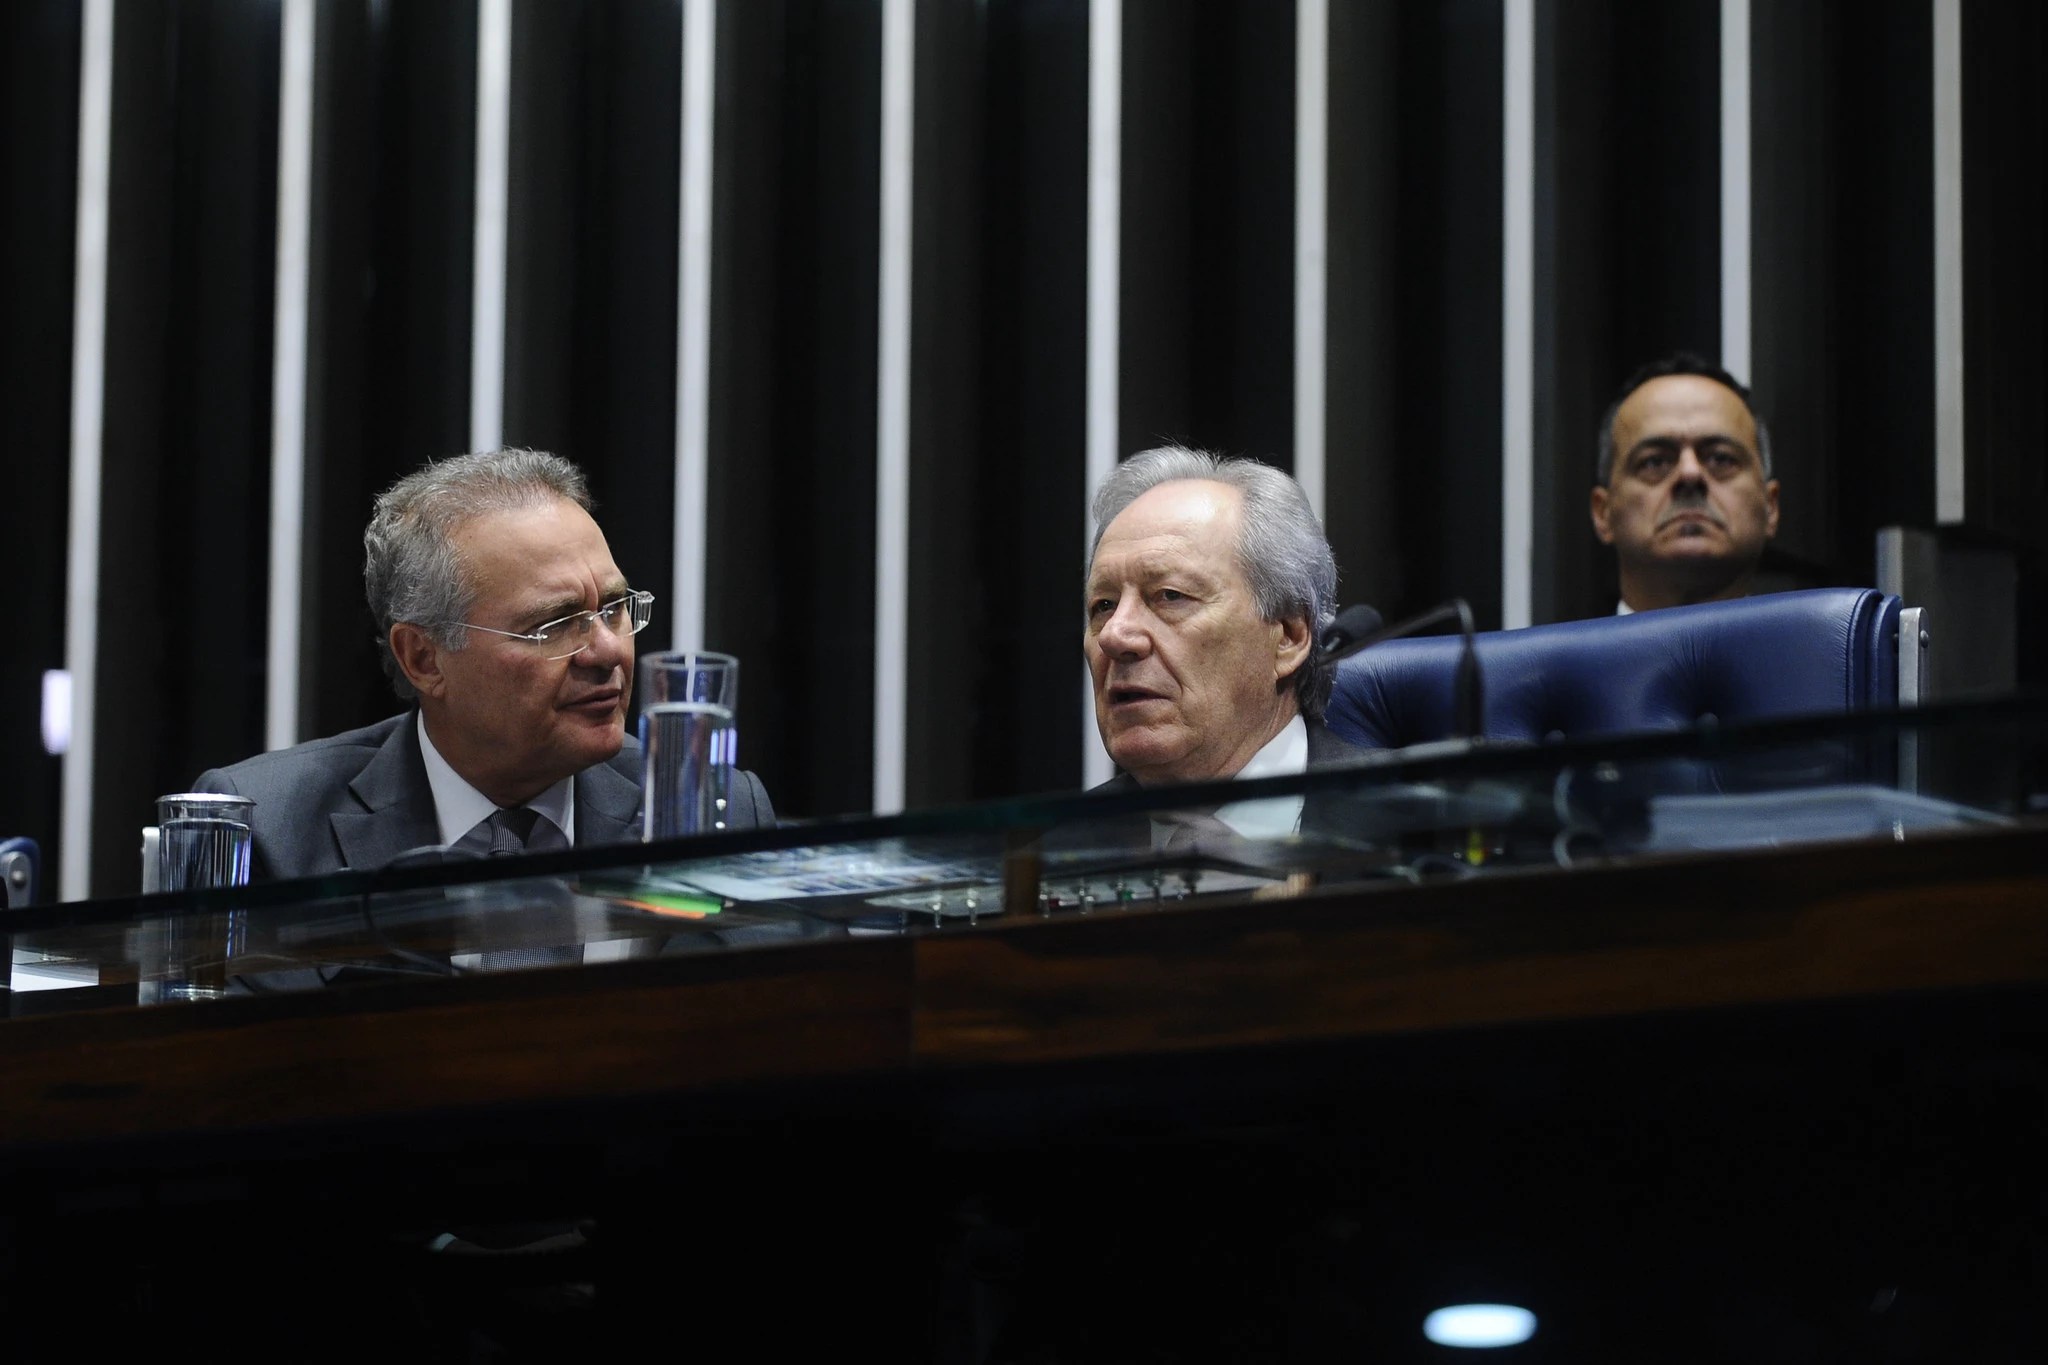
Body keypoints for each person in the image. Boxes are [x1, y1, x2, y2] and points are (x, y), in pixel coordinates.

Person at [195, 448, 772, 881]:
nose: (607, 653)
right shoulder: (268, 831)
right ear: (424, 659)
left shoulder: (711, 808)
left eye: (615, 609)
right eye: (555, 625)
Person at [1084, 445, 1370, 834]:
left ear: (1288, 636)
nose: (1116, 635)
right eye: (1103, 605)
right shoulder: (1046, 862)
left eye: (1170, 596)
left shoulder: (1420, 833)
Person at [1591, 353, 1781, 613]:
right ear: (1603, 512)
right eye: (1654, 462)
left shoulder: (1825, 653)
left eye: (1720, 458)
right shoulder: (1542, 654)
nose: (1690, 474)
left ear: (1771, 506)